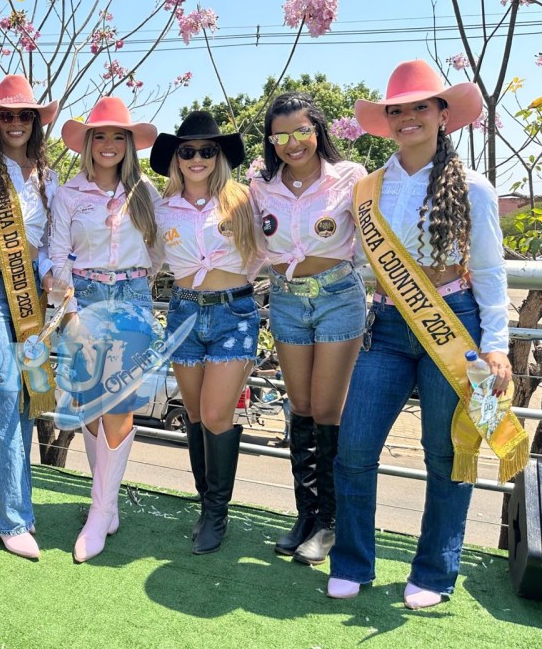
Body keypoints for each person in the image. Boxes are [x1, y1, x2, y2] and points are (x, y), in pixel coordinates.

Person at [328, 59, 527, 609]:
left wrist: (495, 344)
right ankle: (352, 562)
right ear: (387, 120)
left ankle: (435, 573)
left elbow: (489, 272)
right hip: (386, 327)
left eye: (421, 106)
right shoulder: (368, 188)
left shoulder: (474, 187)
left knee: (445, 455)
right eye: (398, 109)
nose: (408, 117)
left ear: (443, 114)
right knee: (354, 447)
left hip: (454, 324)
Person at [249, 93, 367, 565]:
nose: (292, 143)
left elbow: (372, 237)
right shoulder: (261, 187)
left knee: (326, 408)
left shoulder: (351, 177)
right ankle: (307, 515)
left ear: (317, 129)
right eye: (280, 135)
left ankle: (330, 523)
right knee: (299, 406)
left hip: (338, 297)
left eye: (301, 131)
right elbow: (250, 243)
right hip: (285, 300)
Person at [50, 96, 163, 563]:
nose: (110, 144)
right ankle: (107, 505)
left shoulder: (147, 193)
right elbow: (58, 256)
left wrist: (135, 287)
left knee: (119, 403)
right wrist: (70, 312)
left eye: (119, 136)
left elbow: (158, 252)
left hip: (132, 299)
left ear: (130, 144)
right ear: (89, 142)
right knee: (91, 404)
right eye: (101, 136)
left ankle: (99, 512)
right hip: (83, 298)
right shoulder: (68, 194)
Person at [150, 111, 263, 555]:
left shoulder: (243, 199)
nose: (197, 159)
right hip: (183, 313)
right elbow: (151, 258)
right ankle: (204, 505)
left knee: (217, 415)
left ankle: (218, 512)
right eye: (188, 151)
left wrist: (235, 280)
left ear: (219, 156)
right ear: (176, 158)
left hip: (233, 312)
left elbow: (261, 252)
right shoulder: (162, 208)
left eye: (207, 150)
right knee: (195, 415)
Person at [0, 75, 60, 560]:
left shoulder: (47, 176)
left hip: (33, 299)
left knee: (24, 399)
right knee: (1, 394)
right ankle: (8, 517)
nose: (17, 122)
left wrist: (52, 276)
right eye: (8, 114)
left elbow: (51, 241)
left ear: (36, 122)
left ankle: (17, 504)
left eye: (26, 115)